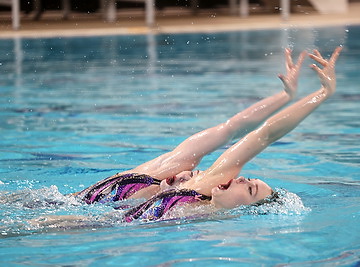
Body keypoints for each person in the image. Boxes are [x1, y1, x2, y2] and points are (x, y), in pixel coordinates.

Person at [55, 47, 342, 223]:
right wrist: (299, 95)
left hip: (76, 224)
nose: (240, 177)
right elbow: (248, 132)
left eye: (250, 188)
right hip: (58, 209)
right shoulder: (188, 180)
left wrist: (316, 94)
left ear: (247, 210)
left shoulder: (205, 216)